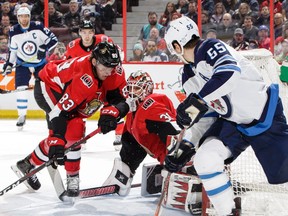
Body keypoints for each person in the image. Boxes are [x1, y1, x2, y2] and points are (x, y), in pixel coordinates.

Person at [164, 16, 288, 215]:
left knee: (284, 177)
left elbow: (229, 73)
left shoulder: (209, 47)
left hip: (266, 117)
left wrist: (196, 102)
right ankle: (228, 212)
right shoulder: (188, 75)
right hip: (233, 124)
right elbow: (206, 116)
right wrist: (186, 145)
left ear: (176, 46)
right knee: (205, 159)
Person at [12, 41, 129, 198]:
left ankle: (27, 164)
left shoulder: (114, 70)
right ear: (94, 61)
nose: (109, 71)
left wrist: (112, 112)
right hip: (49, 87)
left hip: (69, 89)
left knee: (72, 133)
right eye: (105, 67)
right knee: (72, 131)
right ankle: (71, 176)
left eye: (113, 66)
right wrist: (58, 139)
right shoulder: (83, 79)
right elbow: (59, 113)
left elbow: (119, 98)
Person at [102, 71, 199, 207]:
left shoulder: (152, 103)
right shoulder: (134, 110)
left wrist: (180, 156)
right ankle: (125, 173)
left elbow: (173, 129)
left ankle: (193, 170)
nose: (132, 93)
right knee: (130, 140)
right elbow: (131, 141)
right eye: (129, 88)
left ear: (147, 89)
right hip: (165, 159)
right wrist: (127, 167)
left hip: (179, 161)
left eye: (136, 88)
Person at [65, 19, 123, 150]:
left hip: (105, 80)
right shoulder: (72, 47)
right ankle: (80, 136)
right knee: (80, 108)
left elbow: (118, 56)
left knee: (112, 105)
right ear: (79, 32)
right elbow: (68, 67)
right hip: (86, 83)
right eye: (84, 32)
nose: (86, 35)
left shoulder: (103, 40)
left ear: (93, 33)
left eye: (89, 32)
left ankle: (119, 136)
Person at [1, 6, 58, 130]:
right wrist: (9, 64)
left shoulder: (38, 26)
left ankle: (48, 114)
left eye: (26, 16)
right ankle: (21, 116)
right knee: (21, 90)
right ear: (18, 18)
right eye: (21, 16)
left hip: (40, 64)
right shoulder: (13, 31)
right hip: (23, 64)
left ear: (29, 17)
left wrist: (44, 49)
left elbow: (54, 40)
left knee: (44, 91)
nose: (24, 19)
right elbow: (13, 50)